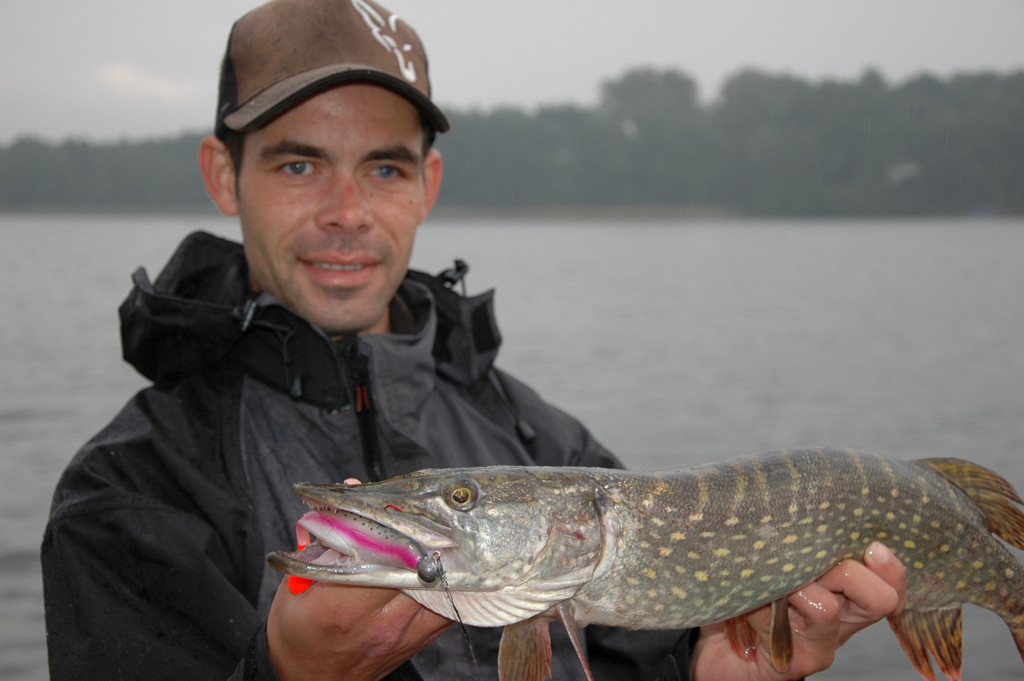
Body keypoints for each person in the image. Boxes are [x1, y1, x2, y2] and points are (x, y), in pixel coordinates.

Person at [41, 0, 906, 679]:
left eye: (385, 166)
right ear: (223, 175)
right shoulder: (126, 492)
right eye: (298, 163)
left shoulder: (549, 444)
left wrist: (716, 672)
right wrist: (286, 673)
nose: (347, 212)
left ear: (431, 183)